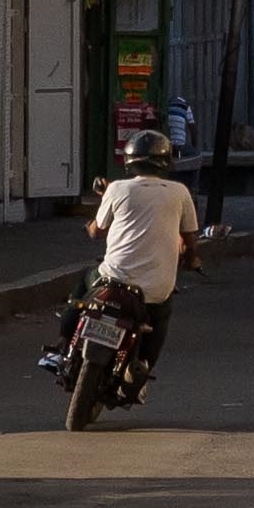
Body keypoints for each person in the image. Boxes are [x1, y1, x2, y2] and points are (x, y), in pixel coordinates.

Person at [83, 129, 205, 385]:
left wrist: (101, 208)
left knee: (81, 292)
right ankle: (142, 364)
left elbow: (96, 231)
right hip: (155, 290)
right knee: (161, 314)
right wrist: (192, 259)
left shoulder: (116, 188)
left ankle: (64, 340)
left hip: (112, 280)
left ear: (129, 160)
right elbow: (191, 241)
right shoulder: (180, 192)